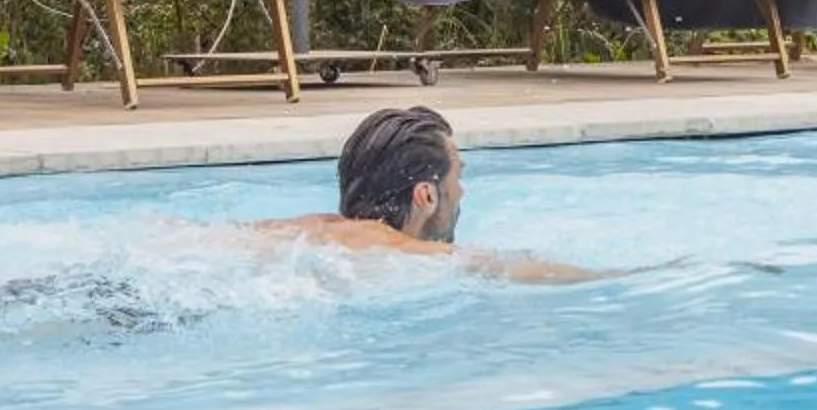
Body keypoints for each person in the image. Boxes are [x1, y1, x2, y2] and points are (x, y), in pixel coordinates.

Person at [257, 105, 617, 284]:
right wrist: (623, 276)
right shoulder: (405, 251)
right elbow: (500, 267)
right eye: (457, 177)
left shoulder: (309, 229)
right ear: (426, 196)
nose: (462, 192)